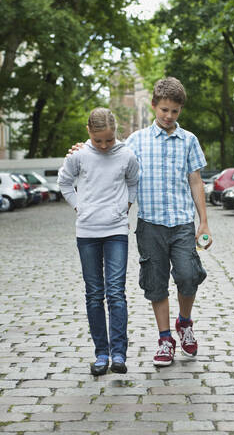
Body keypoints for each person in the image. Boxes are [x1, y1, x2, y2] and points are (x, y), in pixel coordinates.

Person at [126, 76, 212, 367]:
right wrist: (83, 148)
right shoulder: (136, 141)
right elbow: (114, 163)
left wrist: (204, 223)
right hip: (150, 224)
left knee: (188, 275)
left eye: (175, 111)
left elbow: (196, 181)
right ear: (154, 106)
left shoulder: (188, 140)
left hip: (181, 224)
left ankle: (184, 322)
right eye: (164, 110)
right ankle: (165, 339)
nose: (169, 116)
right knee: (156, 282)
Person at [58, 107, 139, 376]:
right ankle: (101, 354)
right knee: (94, 294)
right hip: (87, 234)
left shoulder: (126, 155)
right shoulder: (79, 157)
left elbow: (133, 182)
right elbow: (65, 183)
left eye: (109, 139)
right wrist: (78, 207)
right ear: (88, 132)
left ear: (116, 132)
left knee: (116, 292)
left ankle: (118, 353)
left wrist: (124, 208)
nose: (104, 145)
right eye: (98, 140)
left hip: (116, 231)